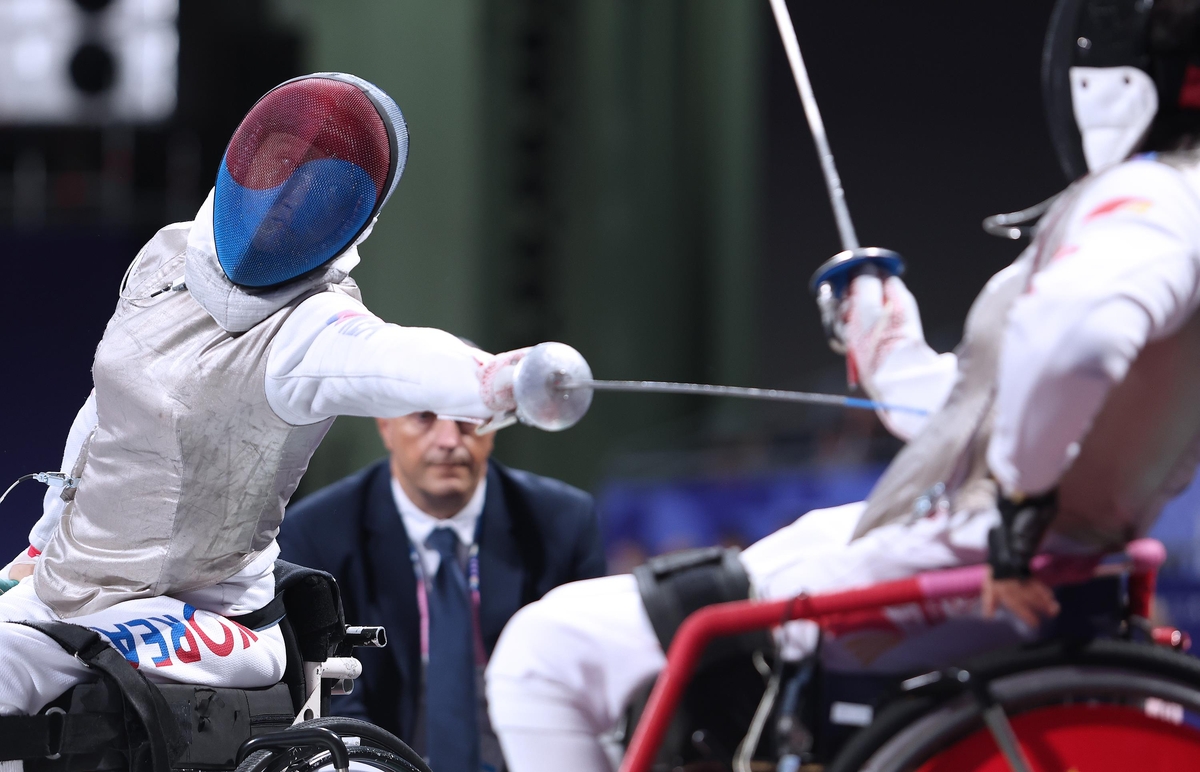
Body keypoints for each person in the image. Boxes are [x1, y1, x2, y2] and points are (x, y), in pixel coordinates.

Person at [482, 3, 1200, 771]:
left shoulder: (1159, 204)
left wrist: (1020, 510)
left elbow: (1074, 340)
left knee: (543, 652)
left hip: (960, 582)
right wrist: (886, 339)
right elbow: (988, 409)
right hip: (982, 571)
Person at [0, 72, 559, 761]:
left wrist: (500, 379)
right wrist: (45, 539)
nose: (285, 204)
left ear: (354, 216)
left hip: (201, 616)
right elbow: (106, 412)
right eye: (281, 167)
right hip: (75, 582)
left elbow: (398, 359)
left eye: (318, 190)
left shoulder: (311, 328)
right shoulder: (169, 255)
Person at [278, 408, 605, 772]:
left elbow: (584, 684)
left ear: (495, 424)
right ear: (386, 425)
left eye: (468, 417)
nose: (449, 440)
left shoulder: (563, 523)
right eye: (425, 417)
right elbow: (328, 700)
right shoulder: (317, 532)